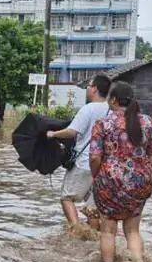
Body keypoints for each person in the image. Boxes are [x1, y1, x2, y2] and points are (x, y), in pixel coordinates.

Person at [90, 81, 152, 262]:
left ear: (113, 100)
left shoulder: (103, 124)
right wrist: (143, 169)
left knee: (108, 230)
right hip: (140, 183)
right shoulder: (146, 122)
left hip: (109, 183)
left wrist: (97, 176)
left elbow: (94, 158)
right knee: (133, 231)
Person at [45, 73, 111, 227]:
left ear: (94, 89)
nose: (88, 88)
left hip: (85, 163)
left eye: (89, 86)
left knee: (67, 197)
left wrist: (53, 134)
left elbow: (72, 132)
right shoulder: (112, 110)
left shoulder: (88, 109)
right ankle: (94, 235)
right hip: (105, 167)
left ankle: (76, 231)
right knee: (92, 205)